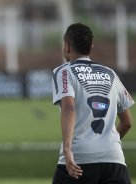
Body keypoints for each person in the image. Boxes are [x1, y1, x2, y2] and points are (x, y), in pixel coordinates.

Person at [52, 22, 134, 184]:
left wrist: (68, 149)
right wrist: (108, 145)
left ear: (67, 46)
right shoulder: (110, 73)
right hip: (114, 159)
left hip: (79, 159)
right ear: (91, 46)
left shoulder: (63, 71)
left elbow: (69, 106)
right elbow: (127, 123)